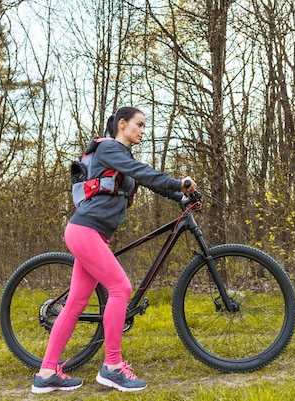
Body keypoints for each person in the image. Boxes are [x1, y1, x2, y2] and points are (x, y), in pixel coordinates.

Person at [31, 106, 197, 394]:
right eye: (140, 125)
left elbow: (145, 181)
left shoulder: (120, 157)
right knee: (120, 288)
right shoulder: (109, 149)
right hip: (85, 230)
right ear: (122, 124)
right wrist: (176, 181)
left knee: (74, 304)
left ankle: (46, 373)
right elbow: (143, 173)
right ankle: (112, 367)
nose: (144, 131)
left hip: (90, 233)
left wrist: (179, 195)